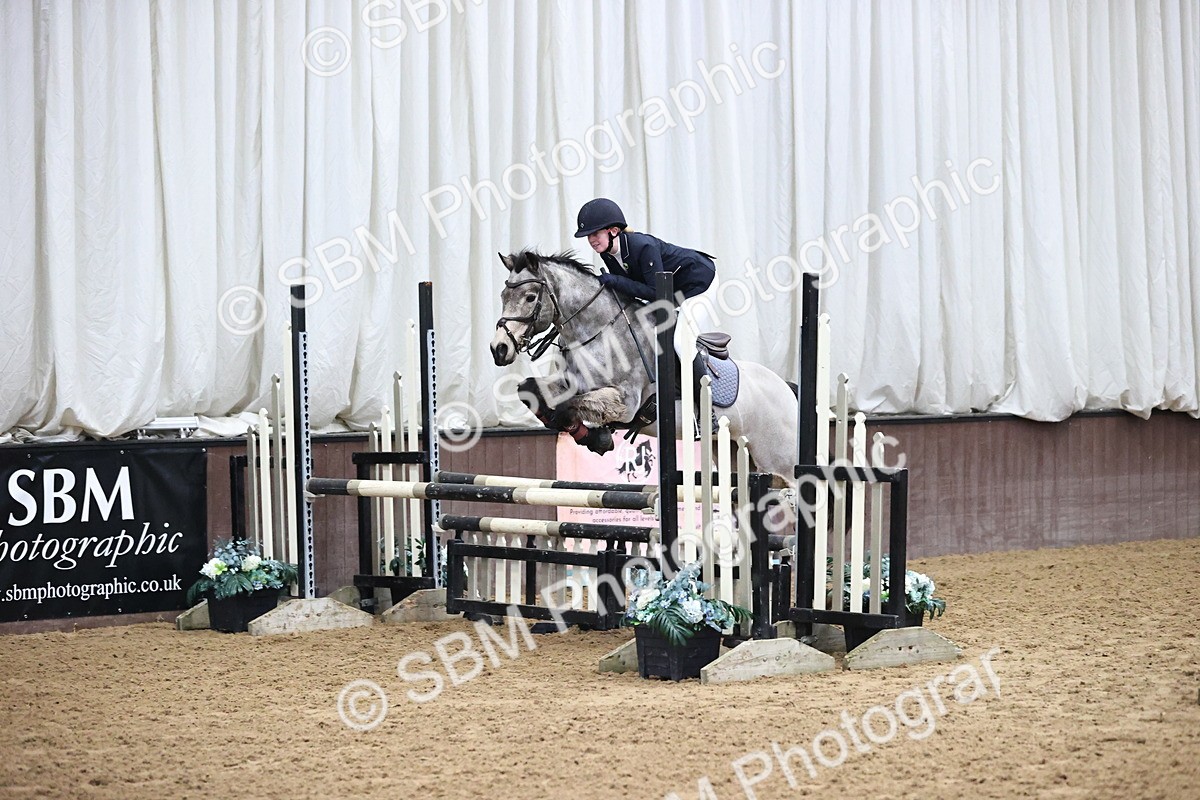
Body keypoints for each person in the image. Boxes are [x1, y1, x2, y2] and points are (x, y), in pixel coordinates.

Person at [573, 198, 720, 364]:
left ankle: (700, 387)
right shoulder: (606, 253)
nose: (591, 240)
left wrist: (615, 280)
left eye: (595, 234)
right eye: (588, 236)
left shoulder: (643, 247)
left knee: (680, 342)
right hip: (672, 291)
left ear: (613, 231)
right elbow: (628, 291)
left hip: (699, 282)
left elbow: (656, 293)